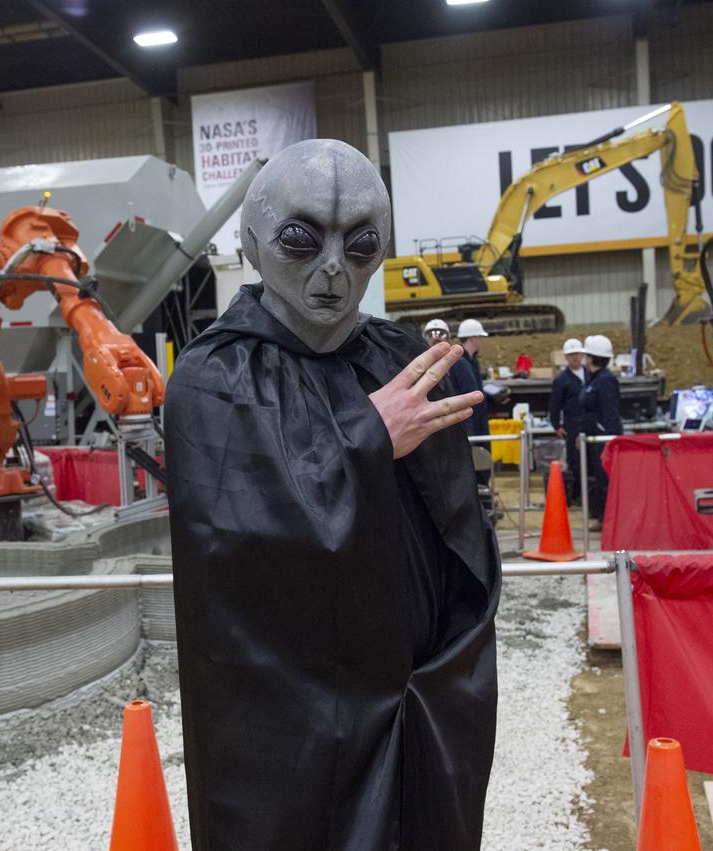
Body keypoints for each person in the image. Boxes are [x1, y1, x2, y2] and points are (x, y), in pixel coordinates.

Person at [164, 139, 501, 851]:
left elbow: (456, 532)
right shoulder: (214, 375)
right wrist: (367, 437)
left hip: (412, 697)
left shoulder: (401, 359)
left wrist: (449, 673)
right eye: (301, 239)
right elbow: (236, 539)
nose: (331, 269)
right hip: (284, 714)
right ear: (253, 243)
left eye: (360, 244)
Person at [579, 333, 623, 531]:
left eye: (586, 354)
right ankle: (602, 516)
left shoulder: (605, 381)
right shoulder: (593, 379)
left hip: (603, 438)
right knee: (598, 478)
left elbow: (610, 412)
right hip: (593, 437)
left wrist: (611, 440)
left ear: (592, 357)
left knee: (606, 479)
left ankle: (609, 519)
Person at [549, 337, 586, 501]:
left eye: (577, 354)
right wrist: (556, 425)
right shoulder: (561, 380)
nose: (575, 357)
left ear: (582, 355)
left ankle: (589, 494)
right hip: (572, 426)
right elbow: (555, 404)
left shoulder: (590, 375)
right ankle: (577, 495)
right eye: (571, 355)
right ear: (566, 358)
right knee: (575, 460)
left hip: (589, 424)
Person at [449, 318, 490, 439]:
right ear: (472, 338)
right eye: (479, 337)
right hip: (468, 421)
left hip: (475, 419)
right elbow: (470, 393)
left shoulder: (472, 360)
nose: (481, 341)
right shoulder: (460, 362)